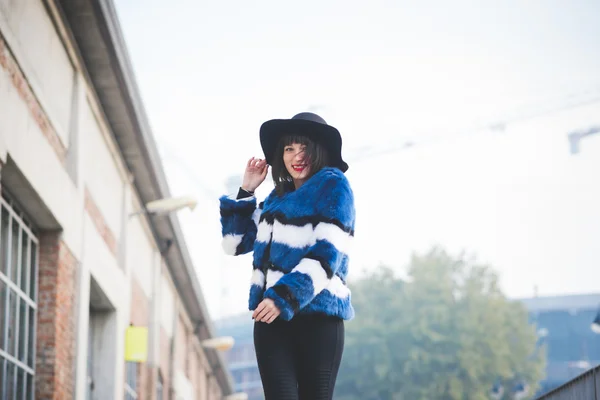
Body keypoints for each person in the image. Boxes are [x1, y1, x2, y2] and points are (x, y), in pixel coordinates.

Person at [219, 112, 356, 400]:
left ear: (319, 150)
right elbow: (235, 244)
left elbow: (325, 256)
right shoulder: (275, 200)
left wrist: (282, 298)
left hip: (319, 318)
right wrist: (246, 191)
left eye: (304, 147)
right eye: (289, 148)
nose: (297, 156)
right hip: (271, 322)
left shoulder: (333, 186)